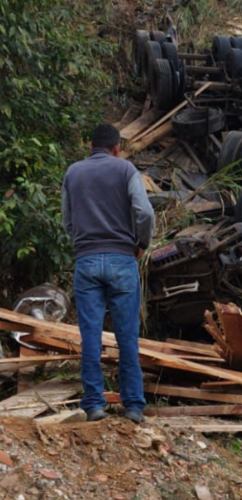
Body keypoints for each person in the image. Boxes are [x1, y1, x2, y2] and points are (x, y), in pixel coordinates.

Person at [61, 124, 154, 423]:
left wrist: (82, 242)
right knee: (127, 336)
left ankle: (94, 405)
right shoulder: (125, 170)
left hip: (87, 261)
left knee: (90, 336)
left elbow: (67, 219)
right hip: (122, 260)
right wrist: (141, 243)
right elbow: (145, 212)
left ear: (90, 145)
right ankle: (134, 407)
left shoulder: (73, 173)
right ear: (116, 147)